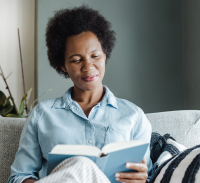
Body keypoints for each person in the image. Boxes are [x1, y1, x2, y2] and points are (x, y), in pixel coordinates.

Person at [8, 5, 152, 183]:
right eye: (76, 60)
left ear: (105, 55)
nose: (88, 67)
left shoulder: (134, 116)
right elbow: (18, 177)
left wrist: (142, 177)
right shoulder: (41, 115)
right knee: (81, 165)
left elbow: (147, 175)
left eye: (95, 56)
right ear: (62, 66)